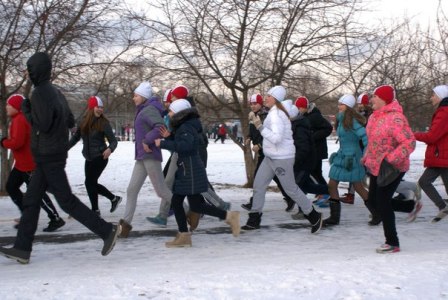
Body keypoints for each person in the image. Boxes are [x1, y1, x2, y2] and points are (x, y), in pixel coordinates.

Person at [0, 52, 120, 264]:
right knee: (31, 200)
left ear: (36, 70)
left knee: (66, 202)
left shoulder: (39, 94)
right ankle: (22, 248)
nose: (27, 73)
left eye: (29, 69)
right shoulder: (56, 92)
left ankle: (107, 231)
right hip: (51, 154)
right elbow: (69, 120)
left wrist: (26, 110)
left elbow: (43, 125)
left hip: (48, 156)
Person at [155, 99, 240, 247]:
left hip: (190, 170)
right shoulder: (185, 125)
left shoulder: (186, 126)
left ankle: (185, 235)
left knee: (179, 202)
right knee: (194, 205)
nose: (169, 113)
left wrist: (163, 143)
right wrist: (169, 137)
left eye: (171, 111)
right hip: (188, 168)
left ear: (179, 113)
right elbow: (184, 142)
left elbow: (185, 146)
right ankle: (227, 217)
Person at [242, 86, 322, 233]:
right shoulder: (272, 112)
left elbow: (276, 138)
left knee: (291, 189)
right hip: (270, 156)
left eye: (269, 96)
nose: (265, 98)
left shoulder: (277, 115)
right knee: (259, 186)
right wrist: (256, 122)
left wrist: (259, 126)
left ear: (276, 99)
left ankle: (313, 215)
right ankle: (254, 219)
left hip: (282, 158)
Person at [362, 85, 416, 253]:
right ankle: (409, 206)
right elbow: (373, 142)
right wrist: (367, 158)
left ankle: (393, 242)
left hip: (393, 167)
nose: (371, 100)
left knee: (383, 202)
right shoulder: (373, 117)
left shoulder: (396, 118)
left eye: (375, 97)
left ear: (384, 98)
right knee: (372, 201)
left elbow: (410, 142)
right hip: (376, 166)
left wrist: (391, 158)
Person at [1, 94, 65, 232]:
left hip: (29, 165)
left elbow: (17, 143)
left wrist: (4, 142)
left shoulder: (20, 120)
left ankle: (55, 218)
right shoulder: (18, 119)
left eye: (9, 105)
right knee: (11, 186)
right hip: (21, 164)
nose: (6, 107)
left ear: (16, 107)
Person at [119, 81, 173, 238]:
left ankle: (189, 212)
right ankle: (125, 225)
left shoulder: (149, 109)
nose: (133, 98)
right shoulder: (143, 109)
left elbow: (160, 127)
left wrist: (146, 140)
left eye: (136, 95)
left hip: (150, 155)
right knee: (132, 189)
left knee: (162, 191)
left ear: (143, 96)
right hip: (142, 156)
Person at [324, 94, 378, 226]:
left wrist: (365, 155)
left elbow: (366, 139)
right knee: (332, 185)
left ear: (347, 106)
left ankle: (377, 214)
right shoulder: (341, 120)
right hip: (342, 156)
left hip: (353, 158)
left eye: (341, 104)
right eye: (339, 104)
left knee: (358, 187)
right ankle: (334, 218)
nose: (339, 106)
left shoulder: (353, 120)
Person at [241, 93, 295, 212]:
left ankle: (254, 204)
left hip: (268, 151)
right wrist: (249, 137)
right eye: (251, 104)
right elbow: (253, 130)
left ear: (261, 104)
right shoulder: (253, 115)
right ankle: (290, 198)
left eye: (255, 104)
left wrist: (259, 145)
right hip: (263, 151)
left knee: (258, 178)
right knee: (276, 176)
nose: (253, 106)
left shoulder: (266, 115)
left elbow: (269, 134)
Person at [68, 96, 121, 216]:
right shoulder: (83, 121)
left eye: (102, 107)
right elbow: (76, 137)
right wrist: (65, 148)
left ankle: (95, 210)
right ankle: (113, 199)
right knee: (91, 183)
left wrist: (110, 149)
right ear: (91, 108)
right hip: (88, 157)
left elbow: (113, 141)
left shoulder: (103, 123)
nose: (100, 109)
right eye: (98, 107)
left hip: (100, 156)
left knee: (89, 183)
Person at [414, 84, 448, 223]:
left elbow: (432, 136)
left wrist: (413, 134)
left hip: (444, 157)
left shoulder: (444, 112)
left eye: (433, 95)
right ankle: (443, 207)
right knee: (424, 181)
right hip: (439, 156)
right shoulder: (442, 111)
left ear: (440, 96)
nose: (430, 98)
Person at [294, 96, 333, 206]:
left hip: (317, 150)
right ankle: (324, 193)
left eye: (299, 108)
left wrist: (313, 136)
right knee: (315, 173)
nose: (298, 110)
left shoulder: (315, 116)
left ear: (305, 107)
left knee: (315, 173)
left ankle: (327, 193)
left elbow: (328, 128)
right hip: (312, 150)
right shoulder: (305, 116)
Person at [340, 92, 373, 204]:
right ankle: (351, 194)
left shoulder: (369, 115)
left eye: (361, 104)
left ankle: (372, 197)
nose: (359, 106)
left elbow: (365, 132)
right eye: (358, 104)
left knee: (369, 173)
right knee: (356, 172)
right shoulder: (359, 114)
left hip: (365, 147)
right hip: (358, 146)